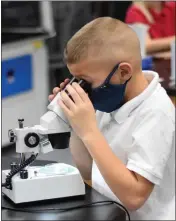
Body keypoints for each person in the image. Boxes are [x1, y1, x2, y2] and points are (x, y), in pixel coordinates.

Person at [49, 17, 175, 220]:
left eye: (86, 82)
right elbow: (89, 172)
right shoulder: (109, 101)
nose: (81, 88)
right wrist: (75, 123)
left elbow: (134, 197)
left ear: (124, 72)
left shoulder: (156, 112)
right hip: (110, 213)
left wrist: (89, 131)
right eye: (76, 80)